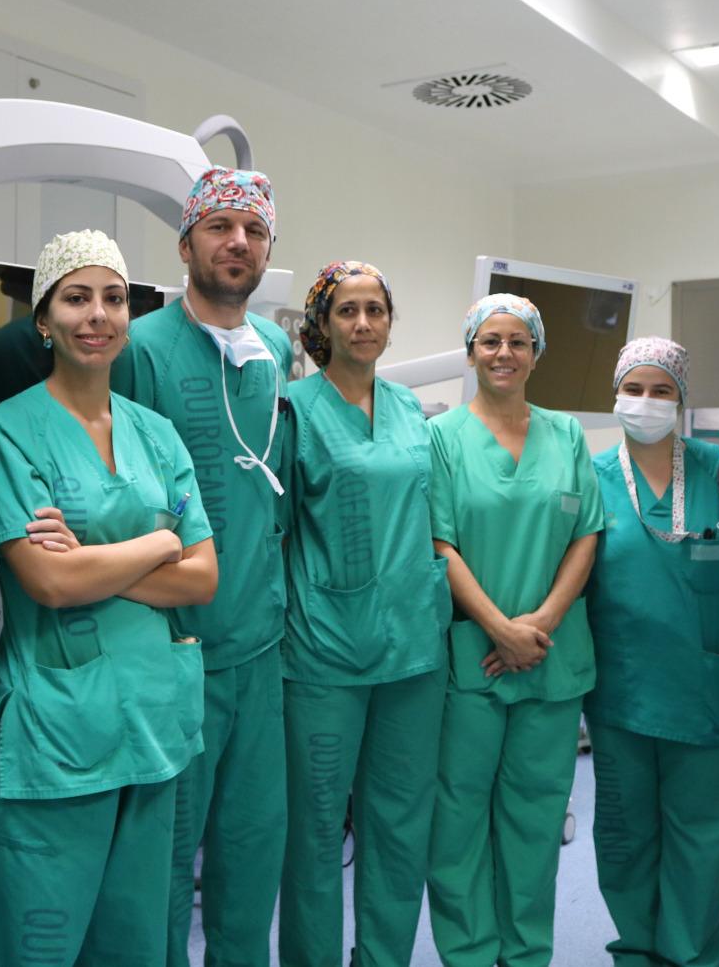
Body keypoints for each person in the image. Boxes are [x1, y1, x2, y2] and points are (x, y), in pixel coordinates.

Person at [0, 229, 218, 966]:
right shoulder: (11, 431)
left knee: (131, 945)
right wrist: (160, 543)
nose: (97, 314)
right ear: (44, 319)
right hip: (56, 729)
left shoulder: (158, 435)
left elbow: (204, 577)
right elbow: (49, 583)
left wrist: (92, 560)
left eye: (113, 298)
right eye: (76, 298)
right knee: (33, 945)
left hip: (154, 722)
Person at [111, 166, 292, 967]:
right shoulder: (140, 349)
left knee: (252, 849)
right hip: (173, 649)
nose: (237, 242)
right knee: (162, 859)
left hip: (260, 648)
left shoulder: (275, 351)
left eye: (254, 230)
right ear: (186, 244)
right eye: (219, 226)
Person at [278, 262, 451, 967]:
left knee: (402, 825)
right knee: (316, 829)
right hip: (324, 650)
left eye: (375, 309)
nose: (363, 323)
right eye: (346, 310)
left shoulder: (411, 411)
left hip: (413, 648)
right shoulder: (292, 409)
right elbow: (277, 528)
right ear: (322, 323)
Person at [425, 293, 603, 967]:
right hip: (474, 657)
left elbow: (586, 533)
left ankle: (526, 954)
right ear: (471, 351)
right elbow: (440, 543)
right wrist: (499, 628)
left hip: (551, 656)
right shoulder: (442, 438)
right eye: (490, 341)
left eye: (518, 342)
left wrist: (542, 622)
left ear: (536, 353)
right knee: (459, 819)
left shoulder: (566, 435)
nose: (504, 353)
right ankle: (469, 953)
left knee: (536, 818)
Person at [584, 336, 719, 967]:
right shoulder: (589, 475)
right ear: (615, 395)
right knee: (625, 836)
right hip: (622, 690)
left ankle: (690, 957)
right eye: (634, 388)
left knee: (700, 840)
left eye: (662, 390)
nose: (646, 401)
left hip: (707, 687)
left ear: (681, 400)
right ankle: (635, 951)